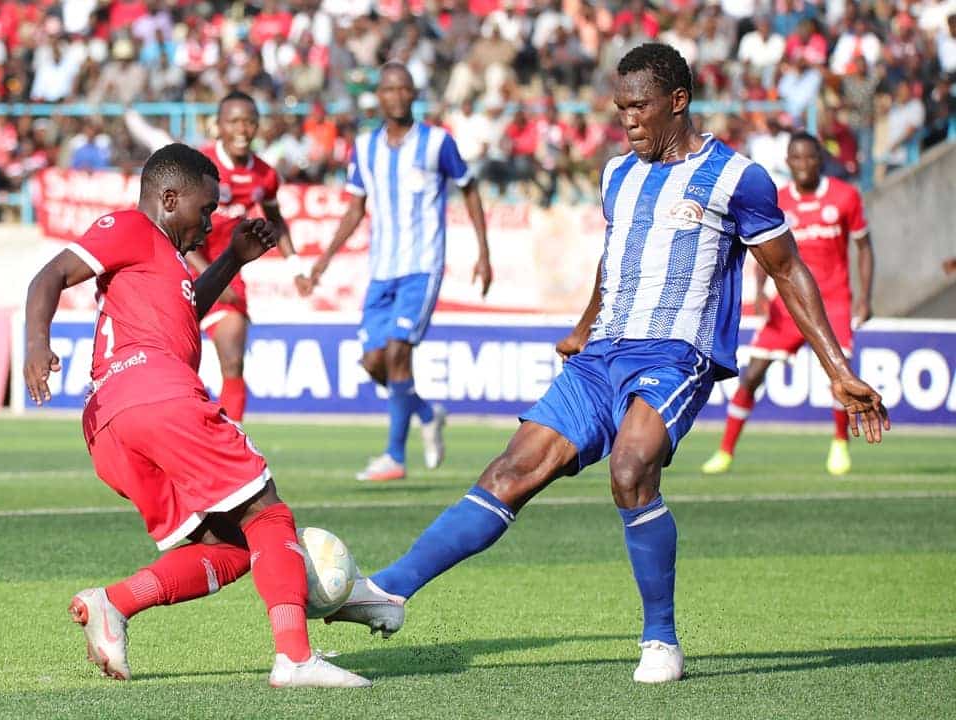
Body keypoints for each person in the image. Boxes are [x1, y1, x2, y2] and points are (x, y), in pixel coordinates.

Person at [321, 44, 890, 684]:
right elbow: (615, 254)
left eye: (640, 106)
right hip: (601, 356)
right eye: (620, 108)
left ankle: (661, 639)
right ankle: (391, 590)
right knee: (511, 470)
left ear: (678, 101)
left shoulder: (738, 177)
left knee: (630, 467)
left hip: (675, 354)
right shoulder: (617, 173)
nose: (628, 120)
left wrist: (838, 370)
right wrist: (583, 325)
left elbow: (787, 270)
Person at [23, 143, 369, 689]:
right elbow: (49, 276)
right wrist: (35, 344)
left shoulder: (163, 260)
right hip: (157, 395)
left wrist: (232, 258)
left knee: (229, 548)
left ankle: (113, 604)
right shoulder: (131, 227)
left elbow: (184, 312)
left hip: (111, 427)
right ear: (168, 198)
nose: (209, 222)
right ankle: (296, 658)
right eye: (205, 209)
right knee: (265, 511)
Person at [305, 62, 493, 482]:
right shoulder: (365, 147)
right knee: (374, 362)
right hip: (381, 271)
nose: (396, 96)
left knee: (396, 354)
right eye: (388, 89)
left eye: (403, 89)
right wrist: (324, 259)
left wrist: (483, 251)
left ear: (413, 94)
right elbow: (355, 208)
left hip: (421, 267)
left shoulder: (437, 142)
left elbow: (469, 189)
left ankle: (394, 456)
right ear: (379, 96)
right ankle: (426, 412)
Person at [125, 90, 308, 422]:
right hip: (180, 268)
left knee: (233, 361)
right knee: (173, 363)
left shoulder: (265, 175)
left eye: (249, 122)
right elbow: (175, 228)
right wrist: (210, 274)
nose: (242, 129)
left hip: (227, 273)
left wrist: (295, 266)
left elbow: (276, 220)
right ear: (218, 126)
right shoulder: (199, 167)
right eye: (234, 122)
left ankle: (229, 439)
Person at [703, 132, 875, 477]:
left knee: (840, 373)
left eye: (810, 157)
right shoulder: (778, 199)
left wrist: (865, 298)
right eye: (797, 158)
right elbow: (765, 248)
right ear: (788, 162)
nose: (804, 164)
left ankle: (840, 444)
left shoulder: (846, 196)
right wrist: (760, 292)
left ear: (820, 160)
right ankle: (725, 451)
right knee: (752, 375)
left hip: (833, 301)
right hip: (788, 304)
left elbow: (864, 247)